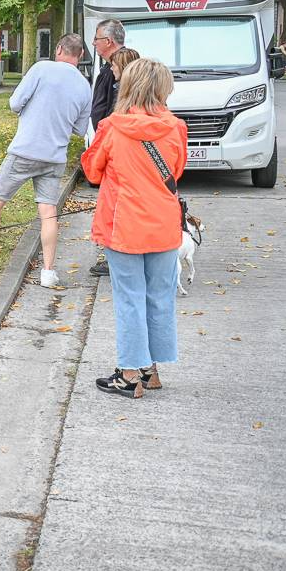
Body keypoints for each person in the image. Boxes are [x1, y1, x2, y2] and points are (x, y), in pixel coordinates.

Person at [79, 58, 188, 398]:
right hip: (163, 224)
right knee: (159, 297)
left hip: (123, 225)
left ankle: (128, 374)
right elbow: (177, 171)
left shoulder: (112, 128)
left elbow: (93, 172)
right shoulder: (176, 127)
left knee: (129, 299)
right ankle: (150, 369)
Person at [0, 33, 92, 288]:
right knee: (48, 213)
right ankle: (48, 272)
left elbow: (15, 103)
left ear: (59, 49)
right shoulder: (84, 85)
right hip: (54, 157)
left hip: (24, 151)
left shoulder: (41, 68)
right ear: (80, 55)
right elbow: (81, 130)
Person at [87, 19, 126, 277]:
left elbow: (114, 109)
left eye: (97, 39)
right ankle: (114, 255)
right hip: (109, 143)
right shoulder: (109, 69)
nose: (94, 43)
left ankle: (117, 257)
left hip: (115, 147)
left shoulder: (120, 69)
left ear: (108, 41)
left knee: (116, 206)